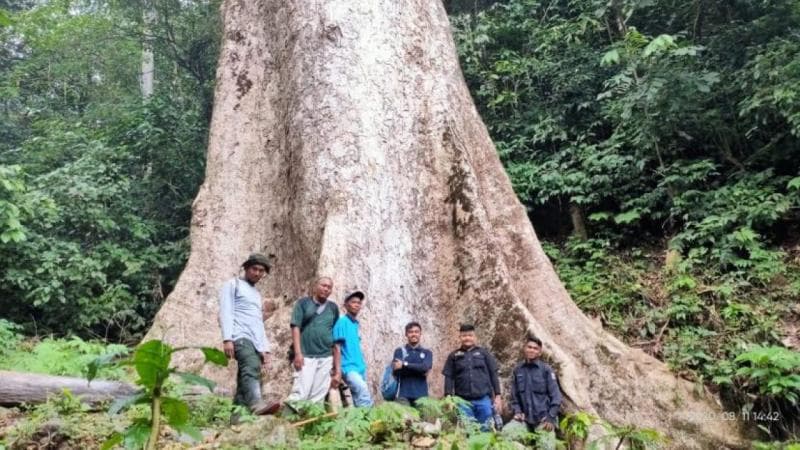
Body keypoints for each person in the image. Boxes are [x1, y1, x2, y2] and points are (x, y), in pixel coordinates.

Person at [219, 253, 277, 415]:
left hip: (254, 341)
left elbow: (258, 322)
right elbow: (226, 311)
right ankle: (256, 404)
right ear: (246, 268)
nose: (257, 273)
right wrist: (227, 338)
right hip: (239, 336)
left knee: (245, 377)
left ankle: (237, 417)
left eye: (261, 271)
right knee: (251, 366)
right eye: (254, 269)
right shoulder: (233, 284)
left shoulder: (256, 294)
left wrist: (264, 349)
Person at [287, 276, 340, 403]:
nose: (326, 289)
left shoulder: (333, 308)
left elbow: (335, 335)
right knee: (300, 392)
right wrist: (298, 353)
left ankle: (310, 422)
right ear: (315, 286)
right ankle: (288, 420)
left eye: (329, 287)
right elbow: (296, 327)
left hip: (326, 356)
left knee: (319, 395)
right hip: (306, 355)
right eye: (323, 285)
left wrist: (337, 367)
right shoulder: (303, 303)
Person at [442, 324, 502, 430]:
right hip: (462, 401)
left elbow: (493, 374)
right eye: (464, 336)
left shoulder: (484, 354)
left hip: (483, 399)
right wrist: (448, 396)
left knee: (485, 429)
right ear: (460, 337)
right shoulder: (453, 356)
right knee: (467, 430)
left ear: (475, 337)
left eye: (470, 335)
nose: (467, 338)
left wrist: (498, 395)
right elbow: (449, 377)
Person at [510, 336, 562, 434]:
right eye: (529, 347)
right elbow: (514, 397)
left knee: (545, 446)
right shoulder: (518, 370)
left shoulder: (546, 370)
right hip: (524, 419)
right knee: (507, 433)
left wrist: (550, 417)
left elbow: (556, 397)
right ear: (524, 348)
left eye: (535, 348)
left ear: (539, 352)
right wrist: (517, 411)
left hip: (544, 419)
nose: (532, 350)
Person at [332, 291, 373, 407]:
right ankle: (368, 422)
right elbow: (336, 347)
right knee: (363, 394)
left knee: (357, 399)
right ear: (346, 305)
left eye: (359, 303)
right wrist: (338, 370)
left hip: (359, 367)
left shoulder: (354, 324)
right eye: (353, 302)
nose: (356, 305)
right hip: (348, 367)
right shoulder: (342, 322)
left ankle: (359, 423)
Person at [392, 321, 432, 407]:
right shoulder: (399, 351)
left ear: (420, 334)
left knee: (422, 420)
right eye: (410, 332)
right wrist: (419, 369)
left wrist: (404, 365)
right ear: (406, 334)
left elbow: (425, 368)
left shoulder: (427, 352)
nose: (414, 334)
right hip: (402, 394)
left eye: (416, 332)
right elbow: (397, 372)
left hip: (422, 396)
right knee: (405, 420)